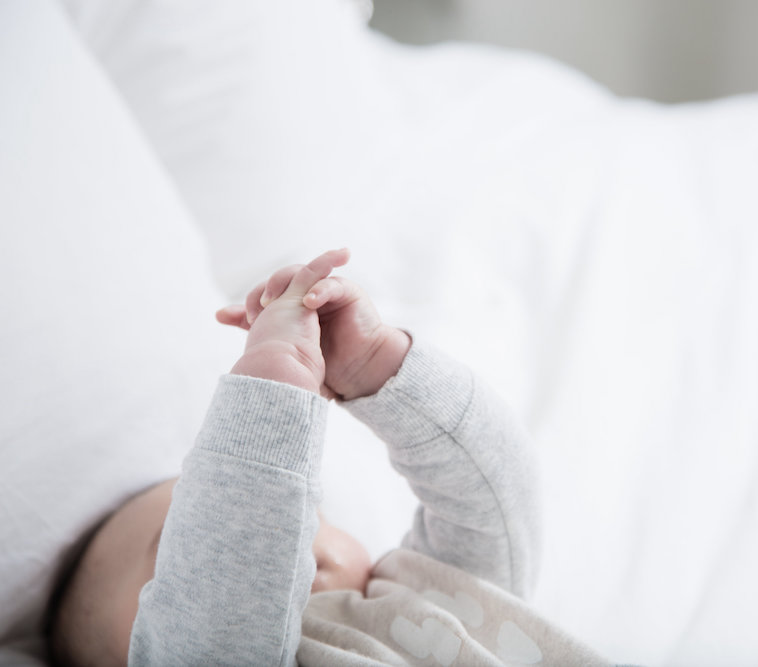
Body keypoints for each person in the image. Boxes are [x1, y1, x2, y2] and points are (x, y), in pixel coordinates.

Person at [46, 249, 610, 666]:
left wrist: (376, 370)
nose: (292, 541)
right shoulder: (207, 650)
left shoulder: (423, 597)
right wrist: (275, 380)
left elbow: (494, 495)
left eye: (303, 516)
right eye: (182, 549)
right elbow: (226, 609)